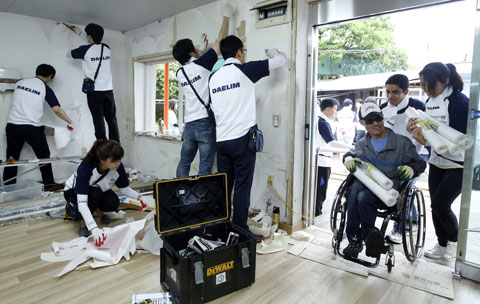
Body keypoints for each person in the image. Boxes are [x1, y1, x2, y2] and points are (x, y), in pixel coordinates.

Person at [208, 35, 286, 229]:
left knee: (224, 187)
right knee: (242, 188)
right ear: (239, 52)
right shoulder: (245, 70)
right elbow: (281, 61)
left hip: (222, 141)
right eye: (244, 52)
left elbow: (211, 108)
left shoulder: (213, 77)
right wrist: (273, 53)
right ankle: (239, 230)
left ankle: (222, 226)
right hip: (242, 140)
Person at [342, 103, 426, 258]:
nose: (375, 123)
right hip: (366, 187)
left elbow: (420, 163)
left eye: (378, 118)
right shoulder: (362, 143)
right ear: (363, 123)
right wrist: (347, 158)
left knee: (362, 196)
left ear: (383, 118)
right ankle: (355, 238)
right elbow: (350, 154)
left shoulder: (401, 143)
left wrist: (411, 169)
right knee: (353, 190)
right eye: (370, 121)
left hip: (389, 191)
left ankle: (368, 235)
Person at [408, 62, 468, 260]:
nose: (426, 89)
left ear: (446, 81)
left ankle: (453, 242)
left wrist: (427, 139)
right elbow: (430, 133)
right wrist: (417, 133)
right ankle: (441, 243)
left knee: (442, 204)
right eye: (424, 84)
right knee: (435, 204)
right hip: (437, 160)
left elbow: (460, 136)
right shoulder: (430, 101)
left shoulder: (459, 102)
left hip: (458, 162)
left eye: (430, 84)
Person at [173, 17, 229, 178]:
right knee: (205, 167)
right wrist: (225, 17)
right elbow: (220, 42)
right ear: (191, 52)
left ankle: (180, 195)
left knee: (184, 163)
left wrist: (200, 52)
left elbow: (193, 66)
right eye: (195, 49)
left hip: (189, 125)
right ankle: (203, 201)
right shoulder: (203, 64)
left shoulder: (180, 73)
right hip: (205, 123)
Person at [3, 64, 73, 191]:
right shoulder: (44, 88)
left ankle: (8, 187)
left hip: (13, 126)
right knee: (44, 157)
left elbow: (12, 81)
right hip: (32, 129)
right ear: (49, 76)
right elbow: (57, 109)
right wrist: (70, 121)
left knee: (12, 159)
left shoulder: (21, 82)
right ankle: (49, 184)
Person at [63, 140, 144, 246]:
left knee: (113, 202)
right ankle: (84, 224)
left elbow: (124, 189)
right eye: (114, 161)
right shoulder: (86, 168)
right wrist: (94, 228)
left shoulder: (117, 166)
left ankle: (98, 209)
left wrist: (140, 197)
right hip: (73, 192)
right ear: (102, 160)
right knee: (95, 194)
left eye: (120, 159)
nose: (118, 163)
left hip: (98, 191)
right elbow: (82, 203)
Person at [380, 74, 426, 244]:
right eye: (387, 92)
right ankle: (411, 219)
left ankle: (400, 228)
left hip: (414, 155)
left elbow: (423, 138)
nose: (390, 96)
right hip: (390, 156)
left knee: (405, 189)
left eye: (395, 92)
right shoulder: (384, 107)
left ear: (406, 91)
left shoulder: (418, 107)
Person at [68, 23, 120, 141]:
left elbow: (69, 54)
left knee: (98, 120)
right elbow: (96, 45)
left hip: (94, 93)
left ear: (90, 37)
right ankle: (115, 144)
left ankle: (102, 145)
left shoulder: (84, 50)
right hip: (108, 91)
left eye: (87, 36)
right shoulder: (106, 48)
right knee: (111, 119)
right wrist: (81, 34)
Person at [315, 98, 353, 216]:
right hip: (322, 161)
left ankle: (316, 210)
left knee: (319, 188)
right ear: (327, 109)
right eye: (335, 110)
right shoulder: (322, 123)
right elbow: (331, 143)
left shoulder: (320, 121)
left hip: (322, 159)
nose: (336, 113)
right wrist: (350, 147)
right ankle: (317, 212)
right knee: (321, 188)